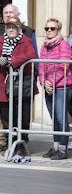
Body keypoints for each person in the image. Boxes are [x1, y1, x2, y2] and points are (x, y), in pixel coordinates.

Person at [0, 16, 37, 154]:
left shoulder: (26, 40)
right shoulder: (1, 40)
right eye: (8, 27)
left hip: (22, 86)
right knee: (7, 118)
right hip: (4, 86)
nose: (11, 30)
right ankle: (11, 144)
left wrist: (13, 61)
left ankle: (21, 145)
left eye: (14, 27)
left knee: (23, 118)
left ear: (19, 29)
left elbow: (31, 54)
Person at [39, 18, 71, 160]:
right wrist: (43, 82)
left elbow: (63, 66)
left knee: (61, 118)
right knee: (55, 119)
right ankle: (56, 147)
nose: (49, 31)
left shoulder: (63, 44)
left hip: (62, 87)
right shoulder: (44, 45)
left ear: (59, 30)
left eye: (52, 28)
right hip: (49, 86)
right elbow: (40, 67)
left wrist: (50, 82)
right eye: (47, 28)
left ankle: (63, 150)